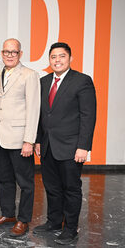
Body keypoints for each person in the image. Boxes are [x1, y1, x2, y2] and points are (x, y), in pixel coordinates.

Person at [34, 42, 96, 245]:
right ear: (49, 60)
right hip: (48, 145)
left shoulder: (82, 81)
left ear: (70, 58)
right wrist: (37, 141)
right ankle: (54, 222)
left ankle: (70, 229)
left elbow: (88, 116)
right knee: (52, 187)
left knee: (71, 188)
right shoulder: (43, 82)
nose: (57, 60)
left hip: (71, 147)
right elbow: (41, 115)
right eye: (53, 57)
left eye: (61, 56)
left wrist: (84, 147)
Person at [0, 38, 40, 237]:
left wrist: (29, 140)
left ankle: (23, 220)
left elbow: (34, 109)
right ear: (2, 54)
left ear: (20, 54)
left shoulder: (29, 75)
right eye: (6, 52)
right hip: (1, 139)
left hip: (20, 140)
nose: (10, 55)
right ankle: (8, 214)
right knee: (4, 180)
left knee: (25, 183)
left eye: (14, 52)